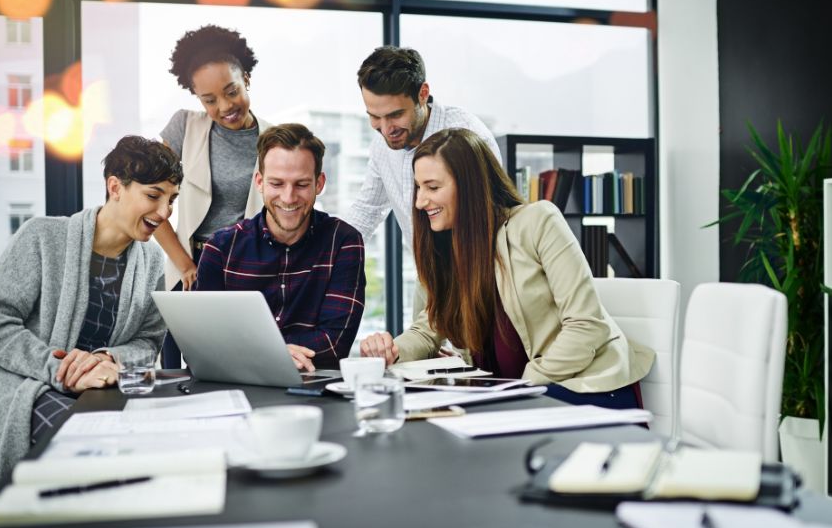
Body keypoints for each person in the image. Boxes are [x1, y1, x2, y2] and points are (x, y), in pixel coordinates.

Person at [0, 136, 182, 528]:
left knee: (154, 453)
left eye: (171, 199)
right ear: (115, 187)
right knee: (89, 454)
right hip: (20, 390)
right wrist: (62, 370)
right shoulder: (42, 237)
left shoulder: (152, 260)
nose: (164, 212)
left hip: (99, 390)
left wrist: (108, 360)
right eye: (154, 195)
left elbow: (148, 342)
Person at [359, 128, 654, 408]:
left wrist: (523, 387)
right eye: (418, 188)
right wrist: (391, 351)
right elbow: (428, 329)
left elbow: (586, 325)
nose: (421, 201)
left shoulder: (538, 221)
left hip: (584, 386)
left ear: (470, 186)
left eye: (433, 187)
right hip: (511, 397)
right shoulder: (442, 248)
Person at [195, 123, 365, 371]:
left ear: (319, 183)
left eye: (301, 184)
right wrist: (276, 353)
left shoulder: (344, 242)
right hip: (238, 391)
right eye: (277, 184)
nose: (288, 198)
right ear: (260, 182)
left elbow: (333, 344)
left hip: (315, 394)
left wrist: (246, 352)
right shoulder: (220, 249)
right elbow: (203, 345)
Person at [157, 24, 272, 368]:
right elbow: (151, 203)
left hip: (247, 271)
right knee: (180, 376)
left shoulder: (273, 138)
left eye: (231, 91)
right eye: (209, 100)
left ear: (247, 78)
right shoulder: (184, 127)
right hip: (189, 270)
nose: (224, 106)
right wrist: (185, 264)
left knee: (235, 369)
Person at [343, 46, 501, 244]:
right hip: (428, 273)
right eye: (375, 117)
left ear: (423, 94)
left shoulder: (470, 136)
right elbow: (366, 211)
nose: (385, 130)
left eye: (396, 115)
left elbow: (493, 217)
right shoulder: (381, 146)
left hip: (480, 268)